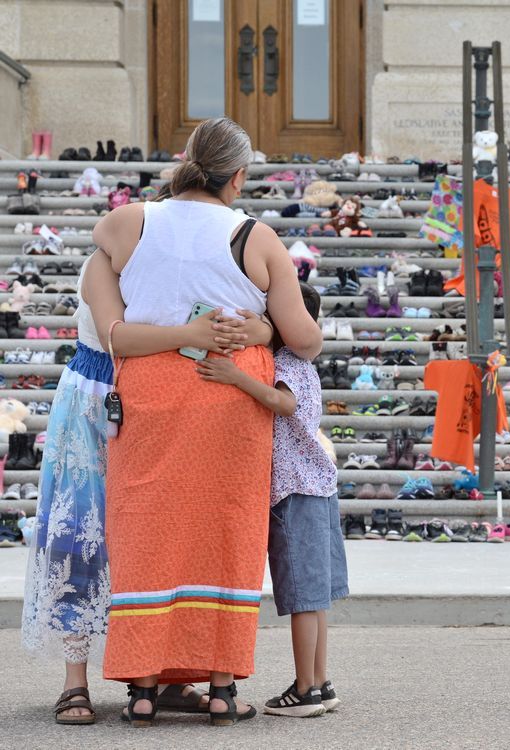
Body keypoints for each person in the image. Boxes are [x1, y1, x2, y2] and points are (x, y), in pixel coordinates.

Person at [87, 116, 323, 727]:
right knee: (227, 529)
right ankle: (221, 686)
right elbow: (304, 339)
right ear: (238, 177)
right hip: (229, 397)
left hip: (150, 392)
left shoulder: (125, 222)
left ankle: (142, 686)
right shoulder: (257, 237)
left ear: (185, 161)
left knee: (147, 528)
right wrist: (265, 327)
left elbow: (108, 316)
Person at [21, 254, 270, 725]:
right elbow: (117, 336)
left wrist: (261, 331)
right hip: (97, 393)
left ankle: (168, 676)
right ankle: (76, 681)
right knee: (81, 532)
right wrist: (192, 335)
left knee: (160, 537)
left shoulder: (185, 264)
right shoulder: (106, 264)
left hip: (159, 400)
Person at [196, 282, 347, 718]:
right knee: (316, 596)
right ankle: (319, 683)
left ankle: (304, 690)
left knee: (301, 594)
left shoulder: (287, 361)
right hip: (316, 483)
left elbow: (283, 404)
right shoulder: (304, 361)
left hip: (293, 487)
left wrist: (235, 377)